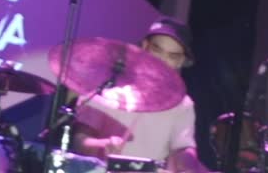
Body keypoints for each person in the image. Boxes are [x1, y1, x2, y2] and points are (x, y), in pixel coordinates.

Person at [71, 17, 208, 173]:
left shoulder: (182, 104)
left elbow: (183, 148)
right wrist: (103, 144)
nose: (162, 61)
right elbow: (79, 140)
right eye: (157, 50)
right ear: (144, 46)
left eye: (172, 56)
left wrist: (189, 164)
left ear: (180, 61)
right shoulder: (109, 86)